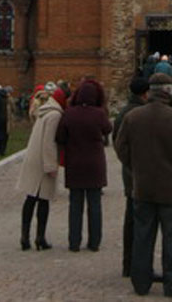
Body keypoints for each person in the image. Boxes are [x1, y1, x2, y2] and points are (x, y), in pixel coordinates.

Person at [115, 72, 172, 298]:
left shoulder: (133, 117)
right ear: (169, 91)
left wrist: (135, 168)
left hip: (142, 187)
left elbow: (120, 148)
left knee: (142, 235)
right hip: (171, 189)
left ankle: (141, 283)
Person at [55, 79, 112, 252]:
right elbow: (108, 129)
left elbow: (60, 137)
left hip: (75, 163)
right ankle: (94, 242)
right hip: (94, 164)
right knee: (95, 205)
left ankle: (74, 242)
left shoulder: (69, 113)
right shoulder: (99, 113)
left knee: (75, 205)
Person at [16, 89, 63, 250]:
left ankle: (25, 236)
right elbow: (49, 142)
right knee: (43, 199)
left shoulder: (43, 112)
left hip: (33, 157)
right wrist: (51, 165)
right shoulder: (55, 115)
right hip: (43, 160)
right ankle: (39, 237)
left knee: (30, 198)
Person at [112, 76, 149, 277]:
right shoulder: (147, 113)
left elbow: (117, 143)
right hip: (146, 177)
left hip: (131, 175)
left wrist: (129, 163)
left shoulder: (124, 113)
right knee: (146, 223)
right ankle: (141, 267)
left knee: (132, 221)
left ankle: (130, 264)